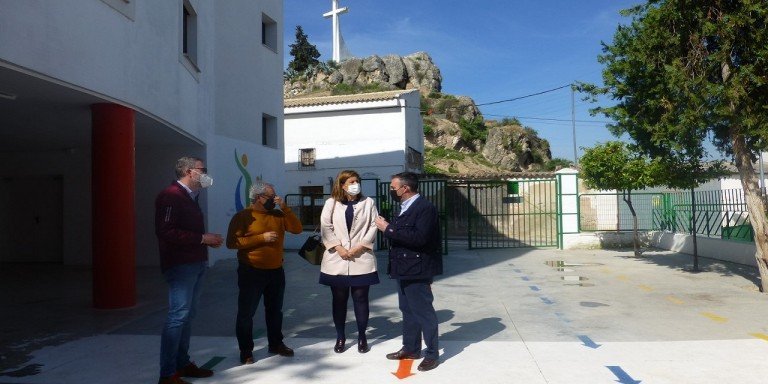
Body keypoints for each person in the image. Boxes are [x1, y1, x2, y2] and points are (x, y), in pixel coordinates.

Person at [155, 157, 224, 384]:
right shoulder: (171, 196)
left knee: (187, 316)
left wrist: (204, 242)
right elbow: (165, 231)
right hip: (180, 265)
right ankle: (167, 374)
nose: (206, 173)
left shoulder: (190, 197)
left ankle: (182, 363)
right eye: (202, 170)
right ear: (188, 171)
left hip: (194, 262)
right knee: (178, 317)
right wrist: (202, 238)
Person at [226, 181, 303, 365]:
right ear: (259, 197)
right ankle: (246, 351)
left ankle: (276, 344)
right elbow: (232, 242)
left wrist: (284, 207)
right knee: (246, 313)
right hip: (251, 271)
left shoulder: (278, 214)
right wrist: (261, 238)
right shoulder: (243, 216)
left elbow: (297, 229)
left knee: (275, 311)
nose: (275, 199)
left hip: (276, 271)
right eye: (271, 196)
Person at [375, 172, 442, 372]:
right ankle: (411, 348)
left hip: (418, 269)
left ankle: (431, 353)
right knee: (407, 310)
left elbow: (420, 238)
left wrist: (388, 229)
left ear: (405, 188)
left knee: (423, 312)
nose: (391, 191)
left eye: (393, 188)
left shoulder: (425, 208)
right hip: (403, 268)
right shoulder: (403, 207)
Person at [319, 170, 380, 354]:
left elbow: (373, 225)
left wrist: (358, 248)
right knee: (339, 300)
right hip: (336, 258)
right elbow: (325, 226)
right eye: (352, 181)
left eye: (357, 181)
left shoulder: (368, 202)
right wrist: (339, 248)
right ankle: (340, 336)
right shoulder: (331, 203)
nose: (356, 184)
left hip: (361, 258)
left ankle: (362, 336)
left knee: (361, 299)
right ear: (342, 184)